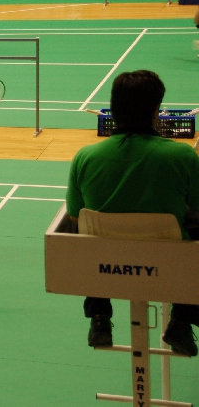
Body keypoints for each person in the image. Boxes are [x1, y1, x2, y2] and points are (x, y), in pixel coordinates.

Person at [66, 70, 199, 356]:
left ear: (113, 110)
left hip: (106, 266)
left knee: (89, 239)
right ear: (156, 110)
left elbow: (76, 219)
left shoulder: (85, 158)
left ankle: (99, 316)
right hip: (170, 263)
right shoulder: (183, 156)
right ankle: (182, 319)